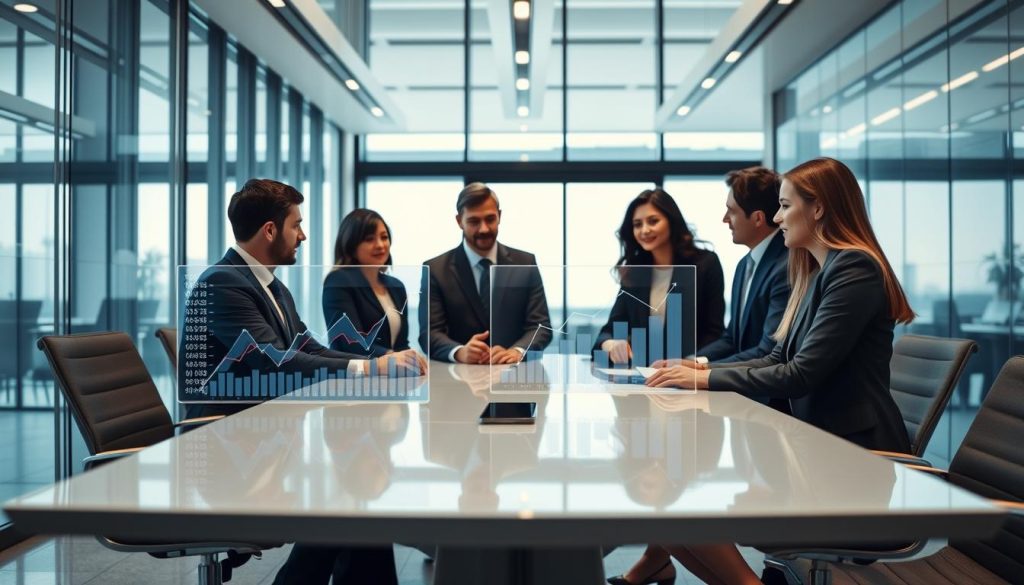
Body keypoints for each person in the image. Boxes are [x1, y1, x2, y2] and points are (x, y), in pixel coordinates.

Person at [613, 157, 914, 585]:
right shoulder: (817, 271)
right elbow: (776, 358)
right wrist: (696, 372)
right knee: (667, 503)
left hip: (850, 462)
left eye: (785, 206)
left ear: (818, 208)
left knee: (676, 503)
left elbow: (800, 374)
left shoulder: (854, 269)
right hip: (814, 448)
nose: (776, 217)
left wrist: (703, 377)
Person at [182, 179, 422, 585]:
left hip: (265, 434)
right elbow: (276, 361)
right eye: (296, 225)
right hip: (227, 447)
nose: (303, 235)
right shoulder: (223, 283)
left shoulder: (271, 285)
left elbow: (308, 346)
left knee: (353, 498)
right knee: (349, 499)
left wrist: (375, 363)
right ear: (270, 230)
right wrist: (369, 368)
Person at [419, 182, 552, 364]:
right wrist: (459, 352)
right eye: (474, 221)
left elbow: (541, 326)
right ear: (459, 221)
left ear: (500, 216)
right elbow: (430, 333)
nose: (484, 229)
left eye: (490, 219)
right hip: (457, 375)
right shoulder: (436, 269)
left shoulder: (525, 263)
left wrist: (518, 351)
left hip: (514, 373)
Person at [594, 188, 725, 364]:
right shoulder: (635, 271)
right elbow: (609, 330)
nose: (644, 230)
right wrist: (610, 344)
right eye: (637, 224)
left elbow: (714, 331)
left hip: (690, 372)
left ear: (671, 221)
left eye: (653, 221)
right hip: (645, 372)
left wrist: (690, 363)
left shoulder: (704, 264)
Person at [697, 166, 789, 364]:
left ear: (758, 218)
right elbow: (732, 339)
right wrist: (693, 362)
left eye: (731, 211)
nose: (725, 219)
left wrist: (700, 370)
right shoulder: (744, 265)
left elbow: (767, 351)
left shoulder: (786, 267)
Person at [322, 209, 415, 358]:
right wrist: (391, 356)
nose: (380, 245)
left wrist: (410, 358)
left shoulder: (396, 286)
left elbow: (401, 344)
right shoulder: (338, 281)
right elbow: (349, 342)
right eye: (369, 239)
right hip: (354, 371)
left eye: (384, 237)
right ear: (351, 246)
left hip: (391, 369)